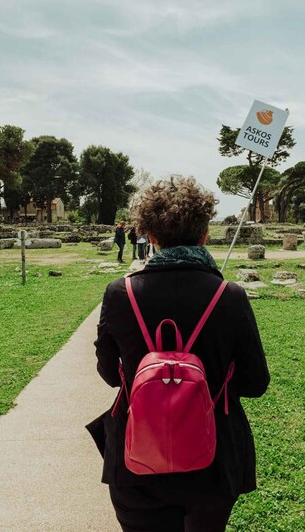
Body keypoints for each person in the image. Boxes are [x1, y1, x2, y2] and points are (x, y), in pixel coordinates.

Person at [89, 176, 269, 531]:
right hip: (213, 458)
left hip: (135, 456)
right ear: (205, 234)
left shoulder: (119, 293)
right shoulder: (229, 296)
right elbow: (255, 382)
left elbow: (110, 375)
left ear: (150, 236)